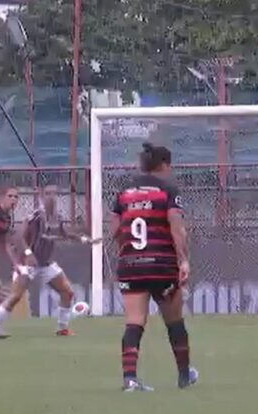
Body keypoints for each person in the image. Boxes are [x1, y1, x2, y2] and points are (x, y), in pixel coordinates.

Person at [109, 143, 197, 391]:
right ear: (165, 165)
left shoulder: (124, 191)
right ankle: (183, 376)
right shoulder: (168, 189)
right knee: (174, 321)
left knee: (134, 321)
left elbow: (115, 230)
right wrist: (183, 259)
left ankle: (130, 379)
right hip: (162, 265)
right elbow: (176, 227)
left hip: (131, 265)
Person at [0, 184, 94, 337]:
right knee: (14, 297)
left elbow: (63, 233)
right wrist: (27, 254)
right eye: (47, 193)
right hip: (28, 265)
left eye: (54, 193)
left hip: (45, 264)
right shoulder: (36, 216)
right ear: (41, 195)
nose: (51, 196)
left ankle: (62, 328)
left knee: (67, 292)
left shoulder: (57, 217)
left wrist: (83, 238)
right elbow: (20, 236)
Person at [0, 186, 34, 338]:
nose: (14, 199)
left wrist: (15, 264)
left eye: (16, 197)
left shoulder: (6, 218)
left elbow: (4, 244)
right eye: (10, 196)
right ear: (1, 197)